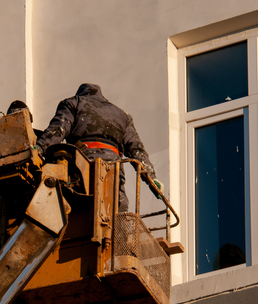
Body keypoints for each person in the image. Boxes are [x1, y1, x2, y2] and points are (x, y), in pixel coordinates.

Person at [33, 83, 163, 212]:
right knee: (117, 207)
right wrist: (151, 178)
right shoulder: (122, 115)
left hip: (84, 165)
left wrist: (38, 148)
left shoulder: (73, 103)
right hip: (114, 169)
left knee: (77, 207)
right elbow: (137, 150)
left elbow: (57, 131)